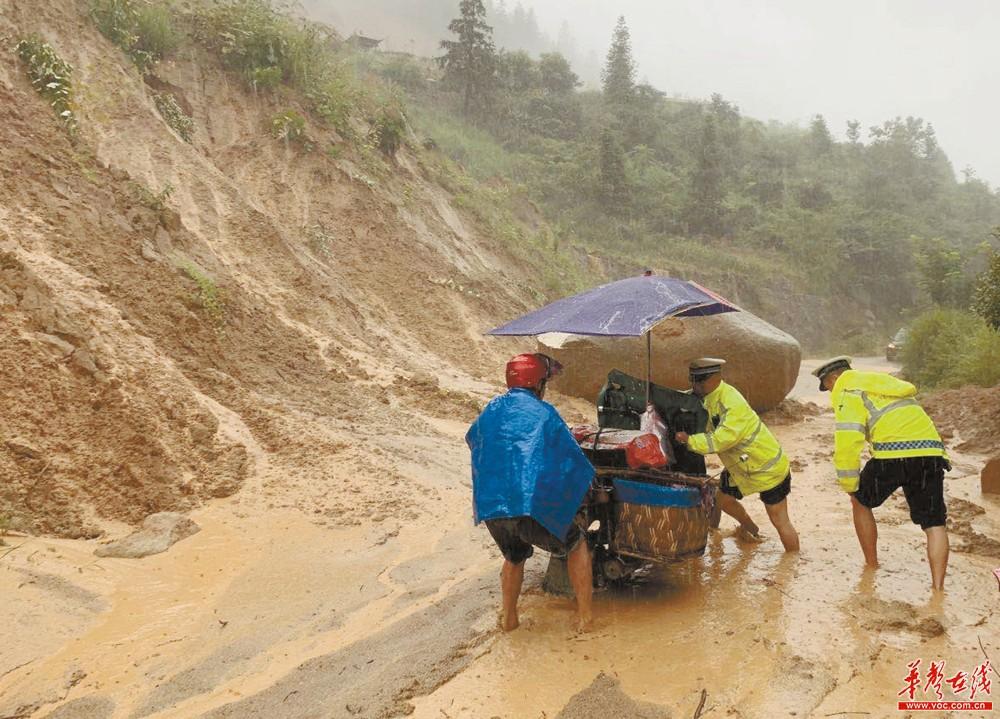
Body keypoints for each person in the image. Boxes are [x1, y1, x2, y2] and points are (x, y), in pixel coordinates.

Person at [466, 353, 595, 632]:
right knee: (575, 543)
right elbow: (571, 455)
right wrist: (587, 482)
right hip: (529, 507)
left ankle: (510, 617)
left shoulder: (491, 409)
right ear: (538, 384)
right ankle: (586, 618)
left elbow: (473, 438)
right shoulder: (544, 412)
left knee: (514, 557)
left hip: (493, 508)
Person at [813, 356, 950, 590]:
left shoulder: (847, 389)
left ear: (834, 377)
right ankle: (938, 589)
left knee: (860, 501)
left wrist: (848, 483)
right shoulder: (882, 382)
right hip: (931, 452)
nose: (829, 391)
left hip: (892, 453)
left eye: (827, 386)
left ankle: (872, 565)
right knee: (935, 523)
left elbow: (848, 437)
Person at [674, 358, 800, 552]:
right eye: (693, 381)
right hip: (741, 466)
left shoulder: (731, 403)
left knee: (779, 519)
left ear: (714, 379)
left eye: (698, 381)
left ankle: (792, 563)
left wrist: (689, 440)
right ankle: (750, 529)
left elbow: (720, 440)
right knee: (722, 498)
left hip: (768, 468)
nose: (694, 385)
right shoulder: (707, 397)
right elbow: (686, 398)